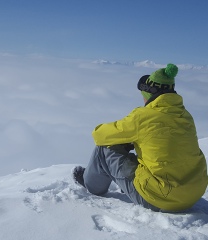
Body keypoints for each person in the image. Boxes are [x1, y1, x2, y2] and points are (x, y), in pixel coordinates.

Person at [73, 63, 208, 212]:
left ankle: (91, 185)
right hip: (193, 194)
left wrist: (124, 140)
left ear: (150, 94)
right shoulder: (186, 116)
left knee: (104, 150)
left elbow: (100, 136)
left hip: (161, 198)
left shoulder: (142, 117)